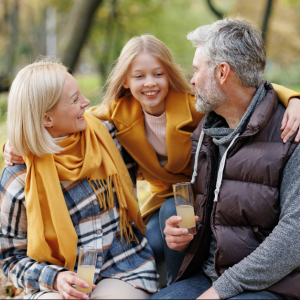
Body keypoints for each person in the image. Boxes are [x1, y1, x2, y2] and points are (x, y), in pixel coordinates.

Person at [4, 35, 300, 287]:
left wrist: (293, 98)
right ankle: (172, 285)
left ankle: (178, 283)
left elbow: (246, 93)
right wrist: (15, 144)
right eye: (139, 76)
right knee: (153, 246)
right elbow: (54, 122)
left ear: (169, 74)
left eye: (158, 74)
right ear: (125, 80)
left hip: (197, 192)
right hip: (162, 199)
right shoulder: (117, 114)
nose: (150, 84)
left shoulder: (193, 105)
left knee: (174, 230)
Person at [152, 18, 300, 300]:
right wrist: (180, 237)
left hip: (274, 286)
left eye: (196, 70)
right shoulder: (209, 128)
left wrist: (222, 289)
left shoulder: (291, 133)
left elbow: (295, 236)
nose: (191, 80)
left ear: (222, 72)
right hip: (212, 274)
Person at [0, 60, 157, 300]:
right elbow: (10, 258)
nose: (86, 102)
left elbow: (154, 108)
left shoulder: (106, 135)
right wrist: (55, 278)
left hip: (119, 268)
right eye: (74, 100)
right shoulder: (19, 176)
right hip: (55, 279)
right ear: (46, 119)